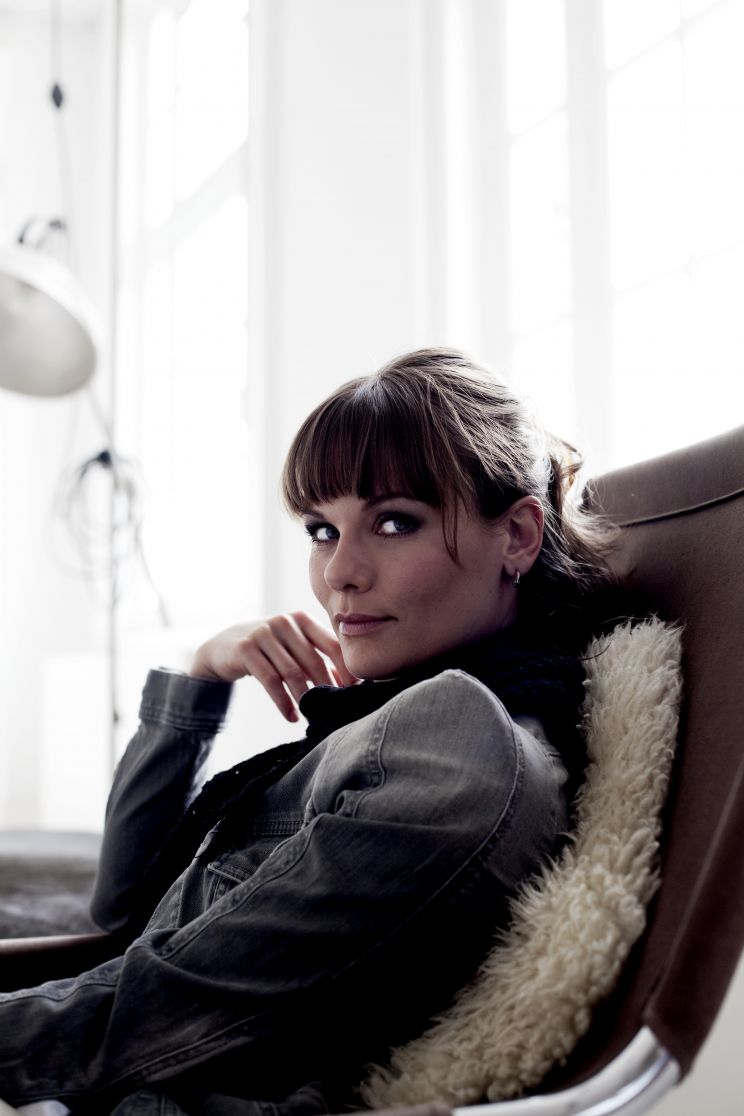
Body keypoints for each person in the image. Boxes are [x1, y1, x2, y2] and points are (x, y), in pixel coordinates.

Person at [0, 349, 617, 1116]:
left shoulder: (456, 738)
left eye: (394, 522)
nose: (338, 574)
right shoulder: (396, 717)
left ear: (518, 535)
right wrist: (202, 674)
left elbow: (164, 998)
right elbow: (121, 915)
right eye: (322, 530)